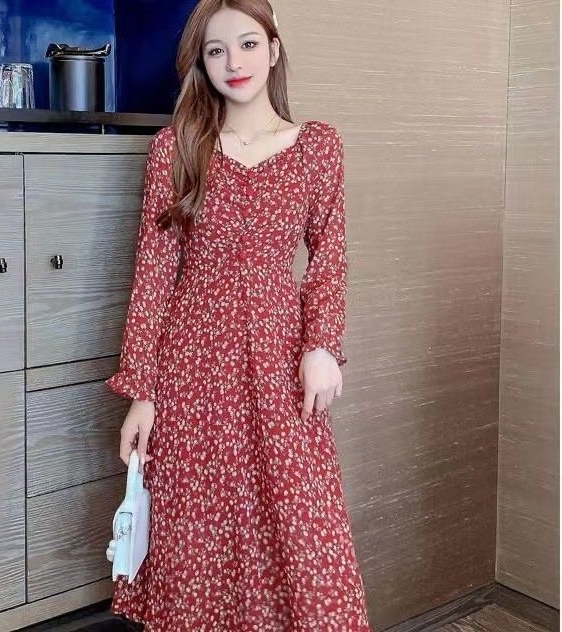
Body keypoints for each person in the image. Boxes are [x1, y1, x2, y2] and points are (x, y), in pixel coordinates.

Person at [105, 0, 372, 629]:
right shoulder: (177, 148)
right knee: (197, 529)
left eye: (248, 44)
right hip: (192, 369)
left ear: (273, 50)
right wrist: (142, 393)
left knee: (302, 526)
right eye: (216, 50)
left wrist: (321, 345)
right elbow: (153, 276)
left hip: (280, 361)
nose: (234, 62)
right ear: (201, 63)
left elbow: (329, 256)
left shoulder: (317, 147)